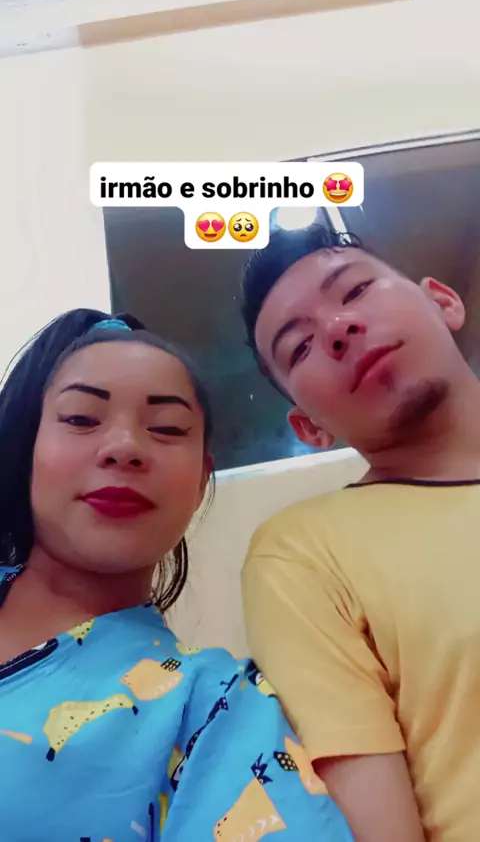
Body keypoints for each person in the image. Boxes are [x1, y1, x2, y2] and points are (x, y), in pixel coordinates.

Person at [0, 308, 354, 842]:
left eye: (166, 428)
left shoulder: (212, 708)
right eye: (81, 419)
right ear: (27, 447)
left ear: (202, 480)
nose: (124, 448)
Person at [240, 223, 480, 842]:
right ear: (309, 427)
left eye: (354, 291)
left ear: (443, 300)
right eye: (300, 347)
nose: (338, 329)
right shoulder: (302, 554)